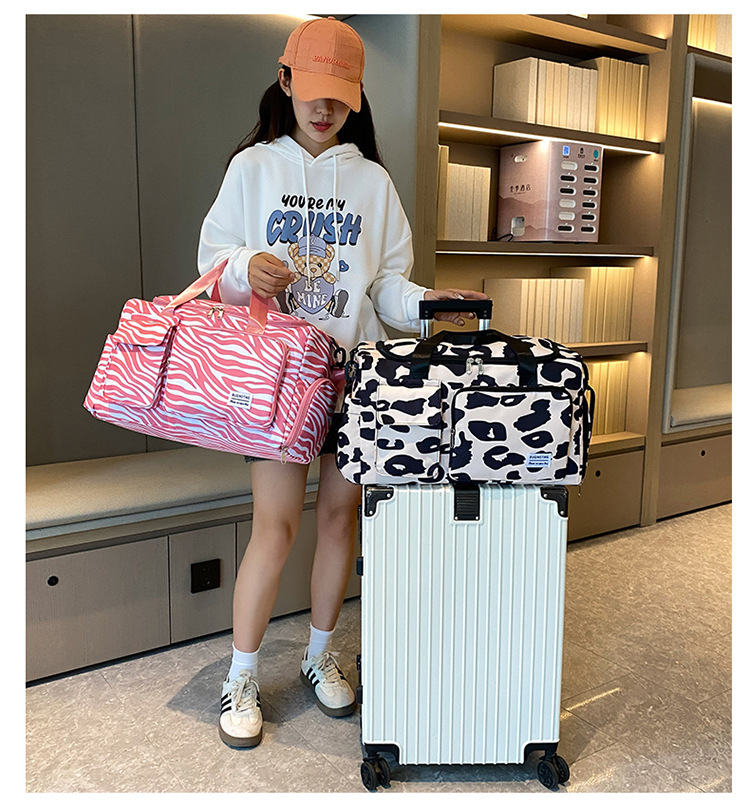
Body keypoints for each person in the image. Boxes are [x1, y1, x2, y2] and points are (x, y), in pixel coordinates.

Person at [197, 16, 488, 749]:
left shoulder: (372, 182)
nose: (324, 107)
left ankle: (319, 653)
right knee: (275, 525)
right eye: (312, 90)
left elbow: (385, 285)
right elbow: (213, 265)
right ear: (285, 81)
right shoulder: (252, 168)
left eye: (340, 94)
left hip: (354, 376)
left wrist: (426, 304)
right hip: (276, 379)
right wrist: (246, 267)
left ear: (357, 95)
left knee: (337, 521)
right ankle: (241, 675)